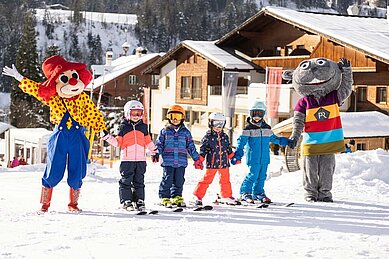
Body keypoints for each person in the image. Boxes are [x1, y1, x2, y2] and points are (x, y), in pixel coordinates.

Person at [2, 56, 107, 213]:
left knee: (77, 170)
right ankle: (45, 203)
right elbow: (37, 90)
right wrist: (20, 78)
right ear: (56, 82)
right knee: (53, 169)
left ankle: (73, 204)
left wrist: (101, 129)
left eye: (74, 76)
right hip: (60, 136)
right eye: (65, 78)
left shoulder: (83, 98)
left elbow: (93, 114)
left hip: (78, 136)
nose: (72, 82)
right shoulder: (54, 98)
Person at [101, 100, 157, 212]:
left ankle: (139, 200)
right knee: (126, 180)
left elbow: (148, 141)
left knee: (139, 181)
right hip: (127, 160)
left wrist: (154, 152)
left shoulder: (143, 127)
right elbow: (117, 143)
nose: (136, 116)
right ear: (127, 113)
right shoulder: (123, 128)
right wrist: (107, 137)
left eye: (139, 113)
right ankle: (126, 201)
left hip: (141, 160)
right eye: (134, 113)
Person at [231, 101, 291, 204]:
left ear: (263, 114)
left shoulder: (266, 128)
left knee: (262, 176)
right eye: (254, 113)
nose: (257, 116)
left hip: (264, 158)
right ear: (251, 114)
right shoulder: (248, 128)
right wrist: (238, 155)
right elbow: (241, 143)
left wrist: (287, 142)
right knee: (253, 175)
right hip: (254, 157)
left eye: (260, 114)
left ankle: (258, 193)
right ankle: (245, 192)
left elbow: (274, 138)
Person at [155, 105, 202, 207]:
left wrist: (196, 159)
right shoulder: (165, 131)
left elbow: (191, 146)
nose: (175, 119)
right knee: (167, 179)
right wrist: (156, 153)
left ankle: (177, 196)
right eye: (172, 116)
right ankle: (164, 197)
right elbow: (159, 144)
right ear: (168, 117)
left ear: (183, 118)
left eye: (178, 116)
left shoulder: (186, 132)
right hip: (168, 161)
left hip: (181, 161)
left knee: (179, 180)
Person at [193, 112, 238, 205]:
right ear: (210, 123)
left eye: (220, 124)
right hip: (212, 163)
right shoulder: (208, 137)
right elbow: (203, 150)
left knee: (225, 180)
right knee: (206, 180)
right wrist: (199, 160)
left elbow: (228, 148)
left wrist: (233, 157)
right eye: (215, 123)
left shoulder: (225, 136)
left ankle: (226, 196)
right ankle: (197, 195)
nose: (218, 126)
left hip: (224, 163)